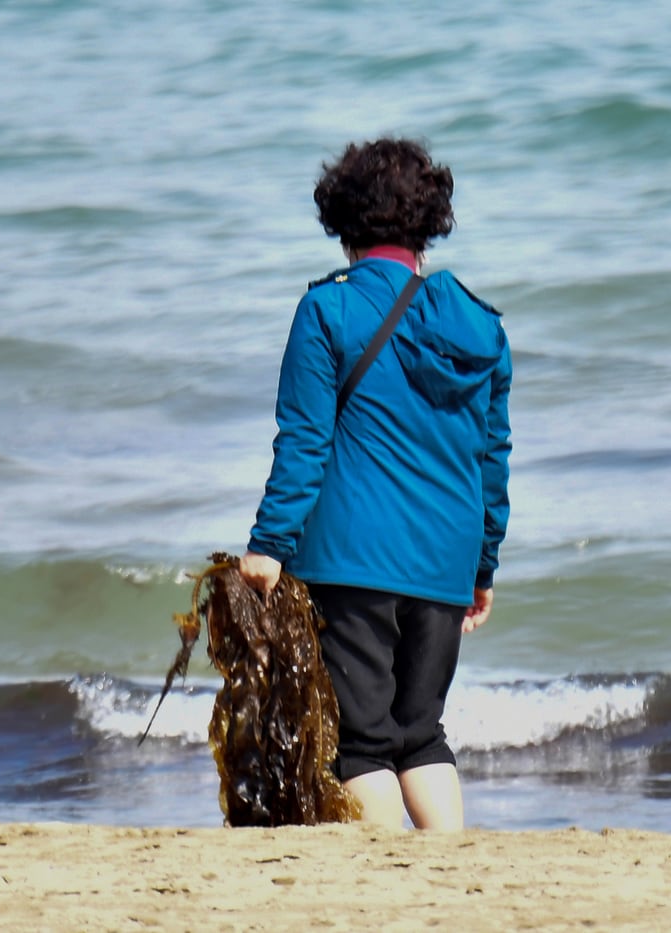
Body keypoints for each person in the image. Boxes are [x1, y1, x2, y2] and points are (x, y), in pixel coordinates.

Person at [239, 138, 512, 831]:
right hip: (446, 561)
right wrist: (482, 565)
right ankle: (449, 861)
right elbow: (492, 459)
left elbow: (304, 442)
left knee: (360, 743)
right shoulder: (482, 326)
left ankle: (390, 872)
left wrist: (269, 544)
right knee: (421, 734)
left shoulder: (327, 311)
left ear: (342, 219)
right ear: (429, 221)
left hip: (352, 559)